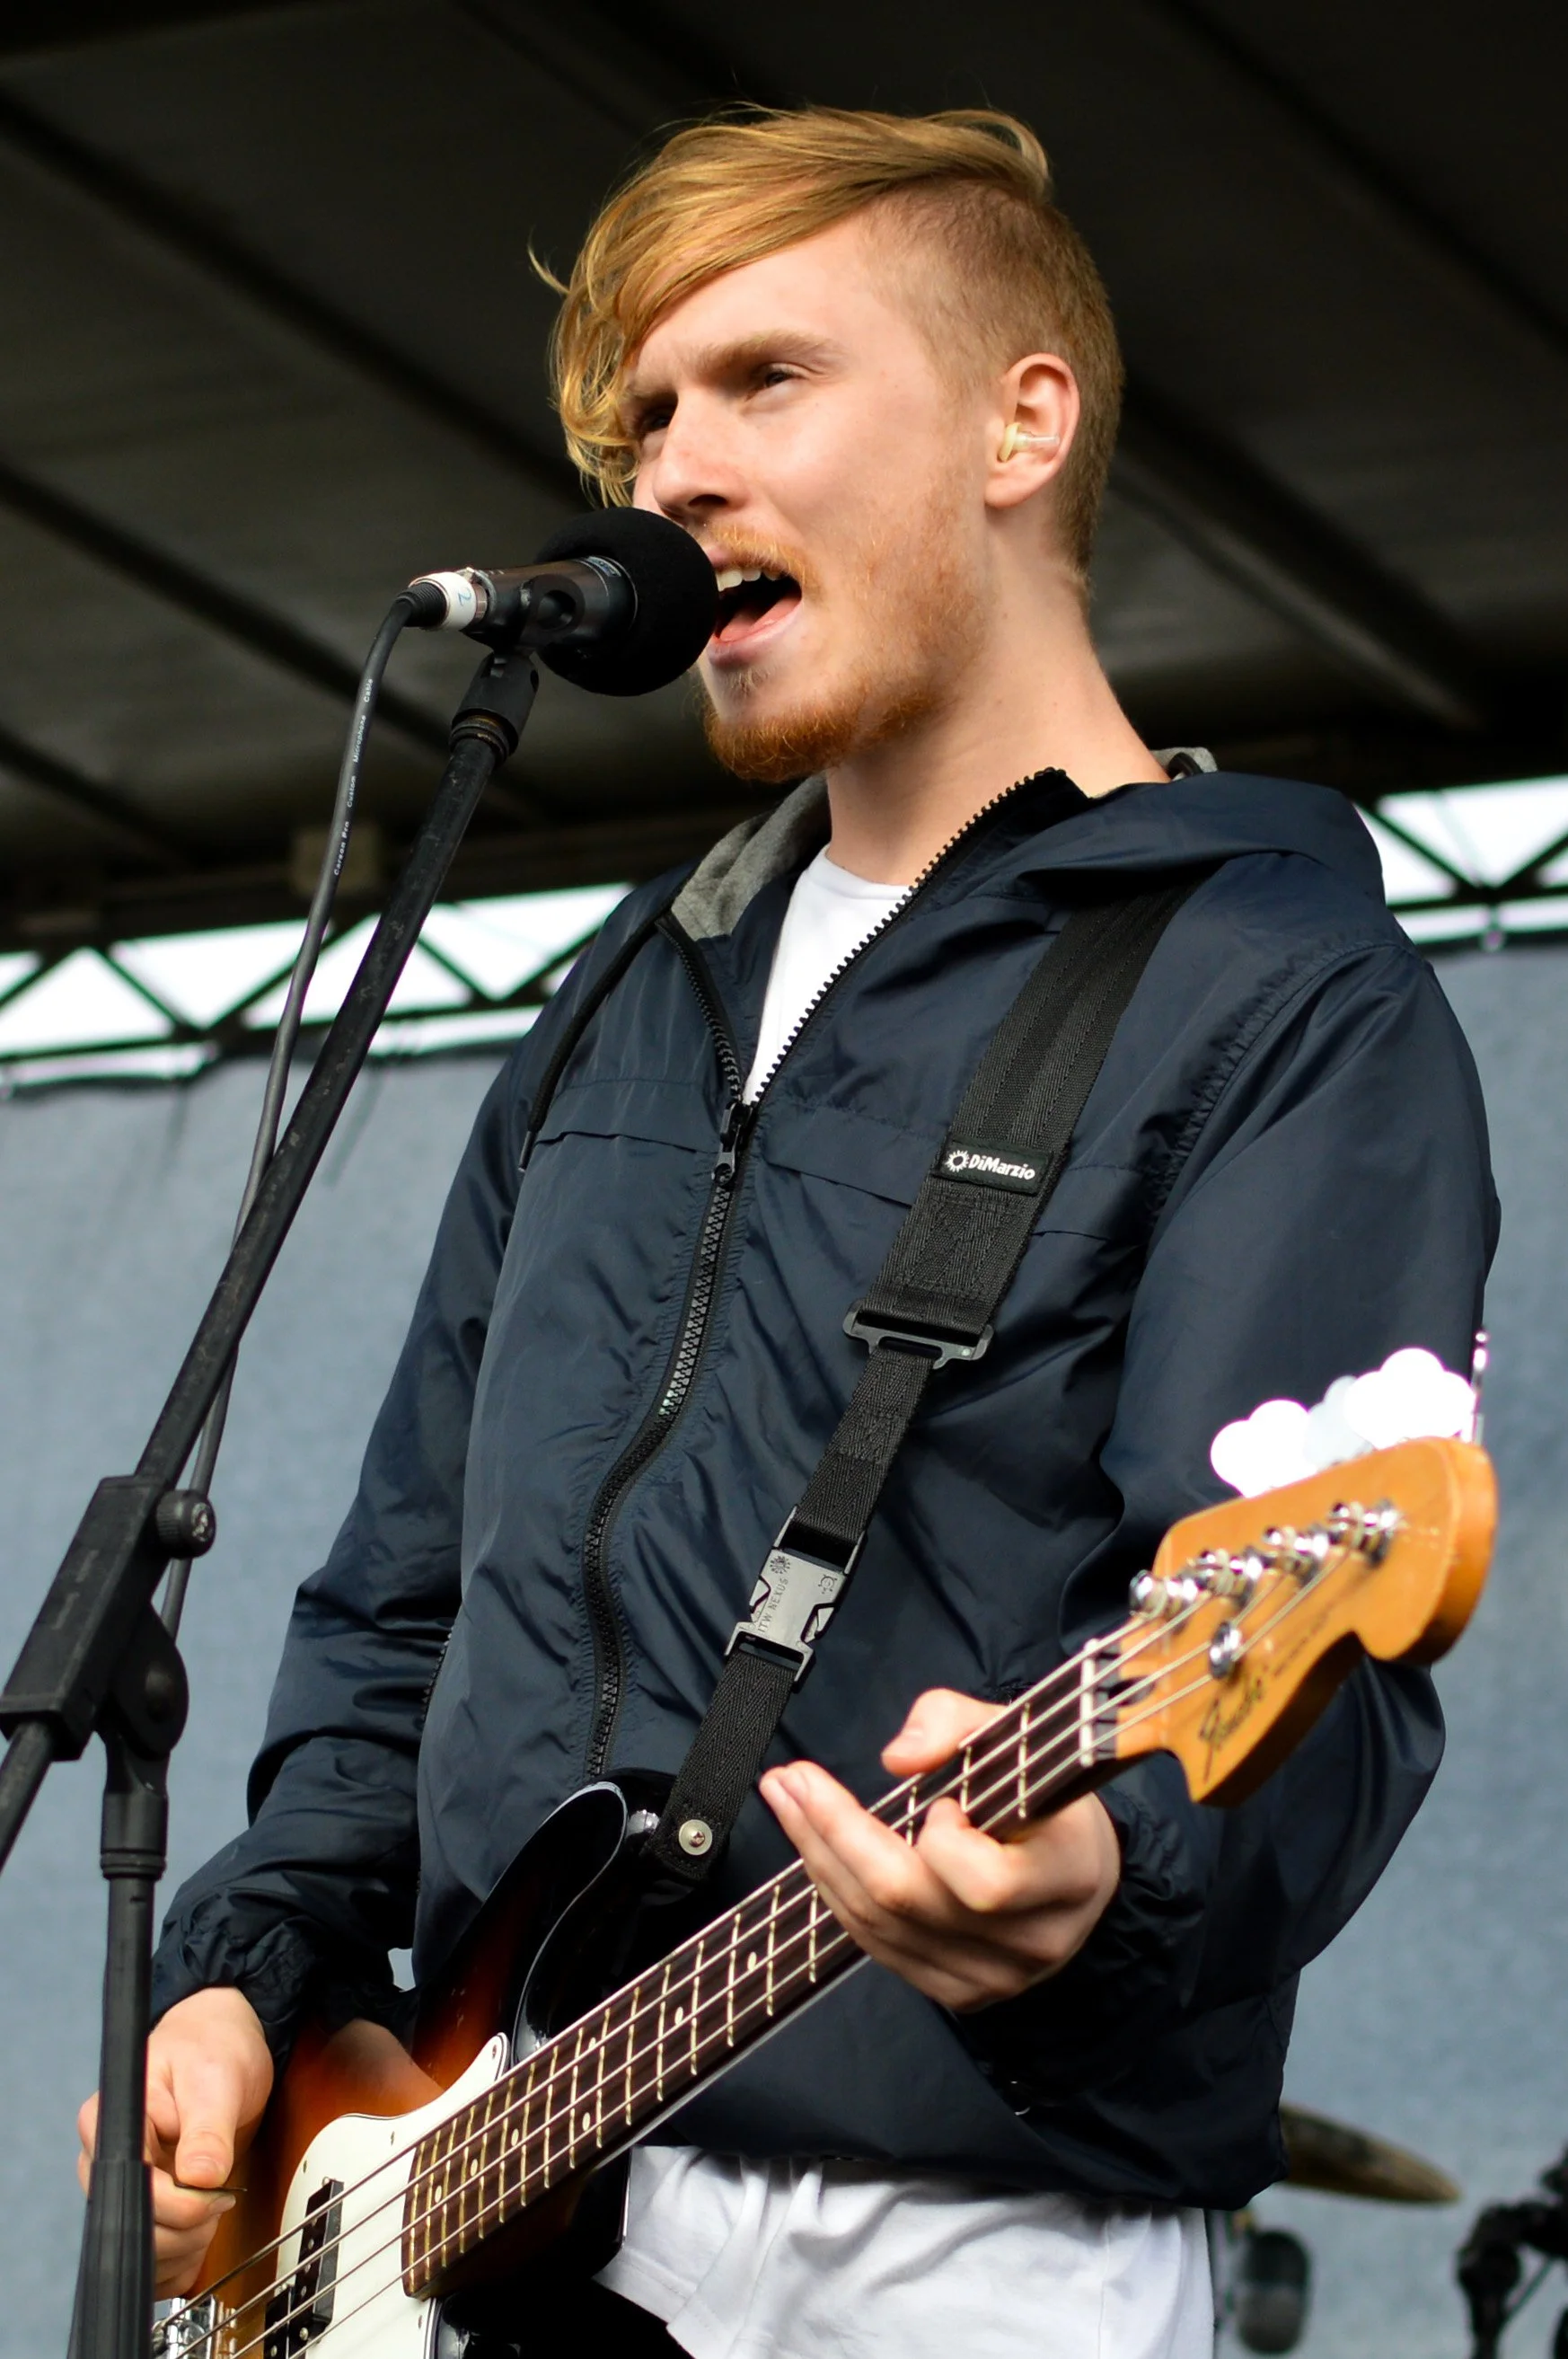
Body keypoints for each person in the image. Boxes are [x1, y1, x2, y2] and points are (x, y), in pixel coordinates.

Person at [78, 107, 1497, 2359]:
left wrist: (1112, 1870)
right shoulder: (624, 995)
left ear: (1024, 424)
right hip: (468, 2209)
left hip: (949, 2252)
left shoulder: (1276, 995)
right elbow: (400, 1604)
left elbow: (1315, 1670)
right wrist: (249, 1980)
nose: (675, 475)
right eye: (647, 418)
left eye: (765, 382)